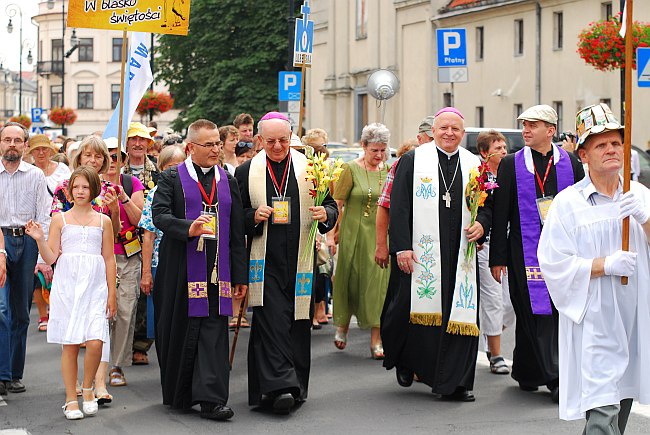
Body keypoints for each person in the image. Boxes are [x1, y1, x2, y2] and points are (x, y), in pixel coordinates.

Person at [538, 103, 650, 432]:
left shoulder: (640, 195)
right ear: (584, 156)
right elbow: (554, 263)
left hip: (633, 320)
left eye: (616, 143)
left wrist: (645, 220)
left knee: (621, 402)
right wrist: (605, 265)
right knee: (602, 414)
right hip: (596, 322)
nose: (611, 149)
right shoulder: (568, 204)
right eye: (601, 145)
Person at [381, 107, 491, 402]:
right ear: (434, 131)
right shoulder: (413, 160)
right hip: (421, 250)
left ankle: (457, 382)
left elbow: (488, 204)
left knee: (460, 312)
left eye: (455, 129)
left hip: (460, 254)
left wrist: (482, 224)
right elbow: (399, 206)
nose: (449, 133)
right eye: (444, 128)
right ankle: (408, 359)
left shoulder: (474, 165)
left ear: (463, 133)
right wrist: (401, 247)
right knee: (408, 308)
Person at [235, 112, 338, 414]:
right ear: (260, 140)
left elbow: (330, 205)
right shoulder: (247, 171)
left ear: (292, 137)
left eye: (283, 140)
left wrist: (326, 215)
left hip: (300, 259)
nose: (278, 146)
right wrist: (252, 216)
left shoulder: (311, 169)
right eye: (270, 141)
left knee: (297, 323)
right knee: (272, 322)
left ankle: (294, 386)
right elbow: (236, 216)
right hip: (264, 261)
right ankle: (280, 387)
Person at [152, 119, 247, 421]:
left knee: (213, 331)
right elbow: (160, 215)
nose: (217, 149)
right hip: (181, 266)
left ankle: (211, 398)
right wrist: (187, 228)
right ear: (191, 147)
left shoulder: (227, 180)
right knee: (180, 327)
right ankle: (181, 392)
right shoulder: (171, 178)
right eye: (210, 145)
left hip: (217, 268)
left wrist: (240, 276)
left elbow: (236, 231)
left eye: (219, 143)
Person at [489, 104, 585, 402]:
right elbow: (501, 212)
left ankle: (529, 372)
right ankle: (555, 378)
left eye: (533, 125)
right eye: (524, 125)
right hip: (523, 251)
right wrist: (498, 258)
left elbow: (583, 210)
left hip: (563, 252)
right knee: (531, 311)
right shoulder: (510, 163)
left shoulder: (570, 162)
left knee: (556, 312)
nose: (526, 130)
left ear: (551, 130)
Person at [25, 166, 117, 420]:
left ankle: (88, 388)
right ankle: (70, 399)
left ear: (93, 190)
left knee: (96, 340)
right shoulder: (60, 219)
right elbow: (51, 256)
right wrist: (40, 239)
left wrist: (111, 294)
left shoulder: (103, 220)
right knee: (72, 343)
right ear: (68, 190)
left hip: (96, 286)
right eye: (75, 187)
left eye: (85, 187)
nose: (80, 191)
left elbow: (109, 259)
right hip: (68, 285)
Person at [50, 135, 119, 405]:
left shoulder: (110, 189)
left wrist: (115, 208)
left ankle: (97, 383)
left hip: (104, 260)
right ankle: (76, 389)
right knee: (73, 335)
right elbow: (57, 231)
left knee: (98, 330)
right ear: (78, 158)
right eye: (87, 155)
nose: (93, 159)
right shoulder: (64, 189)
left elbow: (116, 229)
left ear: (105, 160)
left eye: (98, 156)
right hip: (73, 266)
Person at [0, 122, 51, 395]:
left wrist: (43, 255)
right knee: (1, 309)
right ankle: (2, 373)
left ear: (24, 145)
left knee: (21, 311)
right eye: (7, 139)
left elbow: (44, 215)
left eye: (17, 140)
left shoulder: (34, 176)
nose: (11, 144)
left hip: (27, 242)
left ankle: (15, 373)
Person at [332, 123, 390, 359]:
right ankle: (343, 325)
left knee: (378, 286)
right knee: (350, 281)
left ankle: (376, 339)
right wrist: (330, 235)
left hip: (378, 236)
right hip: (352, 234)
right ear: (363, 146)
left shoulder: (389, 171)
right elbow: (337, 203)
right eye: (374, 150)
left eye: (382, 150)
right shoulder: (349, 169)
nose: (378, 155)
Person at [104, 140, 145, 387]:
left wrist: (124, 198)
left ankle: (116, 365)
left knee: (125, 311)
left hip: (127, 254)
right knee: (102, 312)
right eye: (107, 155)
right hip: (100, 256)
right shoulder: (91, 185)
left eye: (117, 156)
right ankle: (98, 364)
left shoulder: (131, 183)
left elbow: (140, 220)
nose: (112, 161)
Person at [475, 130, 515, 375]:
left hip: (509, 244)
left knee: (510, 302)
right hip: (487, 244)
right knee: (493, 297)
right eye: (497, 147)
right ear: (484, 152)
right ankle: (496, 354)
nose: (503, 151)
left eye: (504, 147)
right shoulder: (479, 177)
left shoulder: (510, 174)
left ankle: (492, 334)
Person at [375, 116, 433, 271]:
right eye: (431, 138)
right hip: (411, 243)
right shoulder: (406, 163)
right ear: (420, 139)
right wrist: (381, 245)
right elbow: (385, 205)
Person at [122, 122, 159, 366]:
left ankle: (140, 345)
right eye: (133, 139)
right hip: (121, 240)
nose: (138, 144)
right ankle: (119, 343)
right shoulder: (116, 171)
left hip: (149, 239)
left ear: (149, 144)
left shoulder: (157, 174)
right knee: (124, 294)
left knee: (146, 292)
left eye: (142, 140)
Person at [28, 135, 71, 332]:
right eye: (37, 149)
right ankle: (43, 315)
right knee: (37, 274)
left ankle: (57, 310)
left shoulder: (62, 170)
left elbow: (69, 194)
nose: (41, 152)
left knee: (58, 270)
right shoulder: (28, 171)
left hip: (58, 224)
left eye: (45, 148)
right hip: (35, 226)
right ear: (31, 152)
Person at [139, 146, 187, 316]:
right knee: (162, 315)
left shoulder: (191, 190)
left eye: (179, 166)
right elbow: (148, 236)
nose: (175, 171)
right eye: (170, 167)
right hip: (160, 263)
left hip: (187, 262)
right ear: (161, 168)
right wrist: (146, 273)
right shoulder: (154, 194)